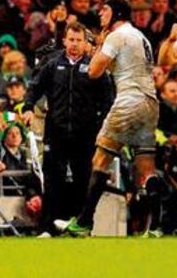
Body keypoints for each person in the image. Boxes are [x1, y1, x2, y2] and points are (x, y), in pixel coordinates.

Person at [57, 0, 161, 237]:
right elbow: (121, 65)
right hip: (150, 103)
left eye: (105, 10)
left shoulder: (116, 36)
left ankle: (84, 222)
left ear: (117, 14)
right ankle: (156, 227)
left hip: (128, 101)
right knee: (146, 169)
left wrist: (97, 49)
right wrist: (100, 49)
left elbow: (94, 72)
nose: (100, 14)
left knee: (100, 160)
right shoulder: (140, 37)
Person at [22, 21, 113, 236]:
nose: (74, 44)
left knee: (83, 179)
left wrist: (102, 126)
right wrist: (27, 108)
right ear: (64, 41)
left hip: (86, 133)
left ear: (85, 43)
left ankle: (80, 226)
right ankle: (47, 228)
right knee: (53, 179)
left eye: (78, 40)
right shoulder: (53, 65)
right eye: (71, 39)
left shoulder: (95, 68)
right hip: (56, 130)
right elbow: (34, 87)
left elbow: (107, 100)